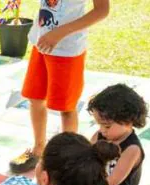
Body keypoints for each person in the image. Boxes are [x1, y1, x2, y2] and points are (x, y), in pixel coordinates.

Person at [9, 0, 110, 174]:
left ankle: (68, 157)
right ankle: (38, 150)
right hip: (41, 43)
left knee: (66, 107)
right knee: (35, 98)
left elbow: (102, 11)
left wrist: (59, 33)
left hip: (67, 50)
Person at [88, 84, 147, 185]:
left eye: (107, 126)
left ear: (128, 121)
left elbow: (113, 181)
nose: (102, 130)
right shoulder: (99, 135)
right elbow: (85, 159)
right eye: (99, 125)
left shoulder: (132, 149)